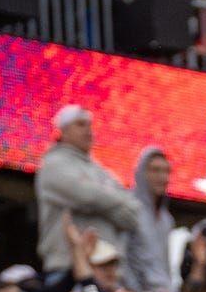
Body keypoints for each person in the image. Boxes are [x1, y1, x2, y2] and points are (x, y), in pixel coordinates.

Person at [34, 106, 139, 276]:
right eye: (81, 124)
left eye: (90, 125)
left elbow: (134, 213)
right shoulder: (53, 164)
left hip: (106, 272)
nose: (88, 131)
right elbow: (87, 196)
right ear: (64, 130)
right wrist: (114, 201)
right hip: (68, 269)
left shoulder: (101, 171)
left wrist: (99, 199)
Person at [125, 146, 179, 292]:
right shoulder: (127, 207)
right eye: (155, 170)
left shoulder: (167, 219)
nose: (162, 177)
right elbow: (123, 256)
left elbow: (165, 265)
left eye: (166, 171)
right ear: (142, 173)